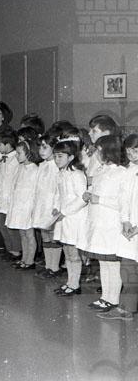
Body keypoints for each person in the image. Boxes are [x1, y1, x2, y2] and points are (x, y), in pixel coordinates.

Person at [81, 135, 126, 313]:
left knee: (113, 264)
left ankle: (113, 299)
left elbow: (122, 201)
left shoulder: (121, 173)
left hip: (111, 224)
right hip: (98, 223)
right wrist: (89, 194)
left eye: (99, 151)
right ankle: (105, 297)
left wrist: (100, 199)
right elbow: (95, 189)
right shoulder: (100, 170)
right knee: (103, 262)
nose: (96, 154)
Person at [101, 134, 138, 320]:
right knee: (128, 269)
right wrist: (125, 220)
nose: (132, 154)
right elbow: (124, 199)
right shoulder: (128, 171)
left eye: (136, 150)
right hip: (130, 228)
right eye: (128, 151)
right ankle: (126, 309)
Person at [51, 139, 88, 297]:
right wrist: (56, 207)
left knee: (73, 253)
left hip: (74, 219)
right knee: (67, 251)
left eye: (60, 156)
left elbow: (82, 199)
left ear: (71, 157)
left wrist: (65, 211)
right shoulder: (60, 173)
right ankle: (70, 282)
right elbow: (58, 194)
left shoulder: (77, 175)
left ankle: (75, 284)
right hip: (63, 218)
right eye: (55, 156)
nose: (56, 159)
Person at [5, 138, 42, 269]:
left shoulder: (35, 170)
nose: (16, 155)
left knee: (29, 234)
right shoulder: (20, 167)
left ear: (28, 153)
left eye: (19, 153)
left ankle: (30, 261)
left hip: (28, 207)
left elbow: (36, 192)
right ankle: (24, 258)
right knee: (22, 233)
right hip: (19, 205)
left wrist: (33, 208)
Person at [31, 133, 61, 279]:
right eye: (40, 147)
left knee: (53, 235)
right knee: (45, 235)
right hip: (42, 204)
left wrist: (57, 206)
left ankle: (54, 267)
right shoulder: (42, 166)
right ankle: (48, 266)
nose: (41, 151)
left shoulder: (57, 166)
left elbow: (59, 189)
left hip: (52, 205)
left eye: (45, 147)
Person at [0, 130, 20, 261]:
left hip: (9, 200)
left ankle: (16, 251)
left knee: (10, 228)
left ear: (8, 145)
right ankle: (9, 249)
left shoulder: (15, 160)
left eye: (0, 144)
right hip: (1, 199)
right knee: (2, 227)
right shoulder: (2, 159)